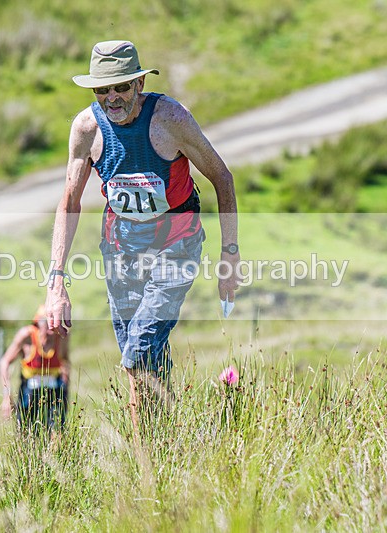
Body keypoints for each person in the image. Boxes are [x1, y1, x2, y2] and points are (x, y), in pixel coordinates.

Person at [44, 40, 241, 433]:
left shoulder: (170, 118)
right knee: (144, 358)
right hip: (121, 252)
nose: (112, 98)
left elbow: (222, 177)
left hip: (177, 244)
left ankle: (144, 460)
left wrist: (229, 256)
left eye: (121, 87)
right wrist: (56, 281)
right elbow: (69, 201)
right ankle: (164, 438)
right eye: (103, 89)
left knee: (138, 351)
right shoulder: (85, 129)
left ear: (138, 84)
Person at [0, 305, 70, 433]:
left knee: (58, 431)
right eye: (48, 322)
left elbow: (65, 361)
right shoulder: (27, 336)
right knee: (26, 431)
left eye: (55, 323)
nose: (51, 327)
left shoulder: (62, 336)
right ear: (38, 323)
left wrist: (66, 387)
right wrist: (6, 396)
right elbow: (5, 362)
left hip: (55, 388)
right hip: (29, 389)